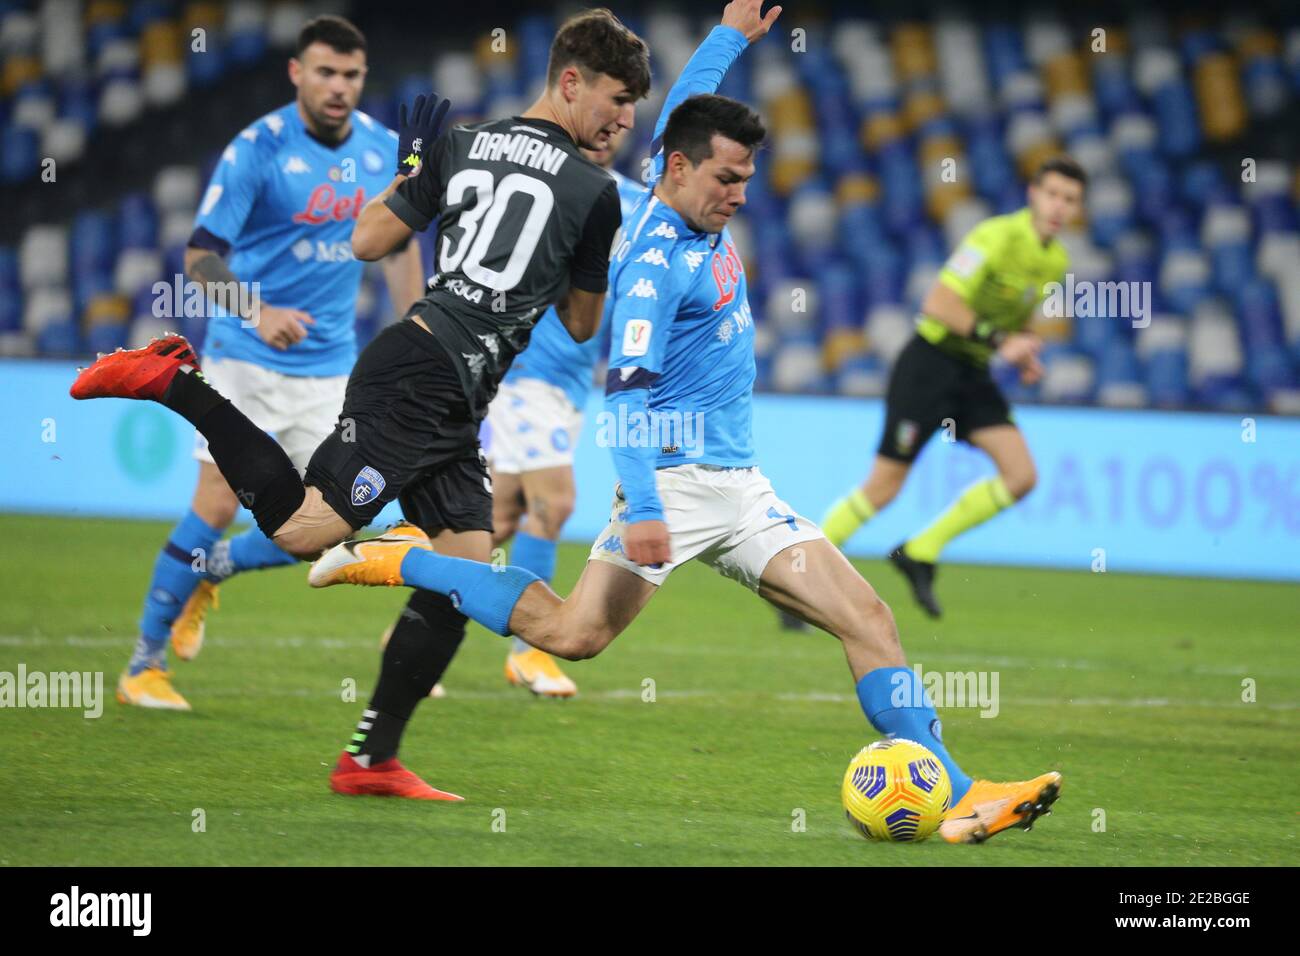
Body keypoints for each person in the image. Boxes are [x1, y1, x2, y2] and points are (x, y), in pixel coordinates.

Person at [308, 92, 1063, 844]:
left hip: (742, 490)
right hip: (673, 486)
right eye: (727, 179)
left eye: (746, 178)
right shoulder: (651, 270)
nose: (739, 195)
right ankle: (407, 557)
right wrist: (641, 505)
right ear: (679, 169)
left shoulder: (667, 184)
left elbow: (683, 103)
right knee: (572, 635)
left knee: (868, 619)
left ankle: (962, 796)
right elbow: (626, 399)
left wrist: (730, 36)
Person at [72, 9, 651, 798]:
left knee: (464, 576)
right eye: (617, 100)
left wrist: (414, 168)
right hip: (426, 379)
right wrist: (584, 263)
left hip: (433, 378)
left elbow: (368, 241)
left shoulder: (461, 142)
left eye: (634, 108)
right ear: (571, 81)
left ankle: (371, 757)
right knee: (303, 530)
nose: (624, 120)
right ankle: (174, 381)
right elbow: (582, 324)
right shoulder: (594, 192)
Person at [117, 15, 425, 710]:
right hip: (246, 360)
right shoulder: (257, 148)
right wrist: (256, 312)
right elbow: (199, 257)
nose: (338, 87)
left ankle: (212, 571)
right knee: (218, 502)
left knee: (328, 525)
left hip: (328, 370)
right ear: (297, 73)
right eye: (325, 72)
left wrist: (415, 332)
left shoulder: (382, 152)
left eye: (350, 75)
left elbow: (401, 247)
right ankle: (144, 664)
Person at [821, 157, 1084, 618]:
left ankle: (920, 551)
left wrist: (1023, 354)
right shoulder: (996, 236)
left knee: (1021, 476)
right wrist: (1000, 340)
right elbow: (939, 302)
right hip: (930, 363)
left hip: (973, 373)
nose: (1059, 206)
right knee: (884, 487)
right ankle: (807, 567)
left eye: (1070, 199)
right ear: (1033, 195)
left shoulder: (1055, 260)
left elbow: (1016, 319)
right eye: (1053, 194)